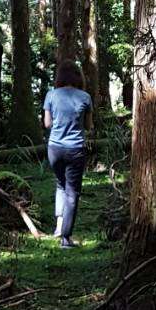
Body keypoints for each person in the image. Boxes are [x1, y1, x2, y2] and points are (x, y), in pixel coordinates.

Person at [43, 62, 92, 248]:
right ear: (78, 77)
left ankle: (58, 227)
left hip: (54, 149)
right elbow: (88, 126)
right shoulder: (85, 97)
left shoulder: (51, 95)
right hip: (75, 149)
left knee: (60, 185)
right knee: (72, 192)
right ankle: (65, 238)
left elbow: (47, 124)